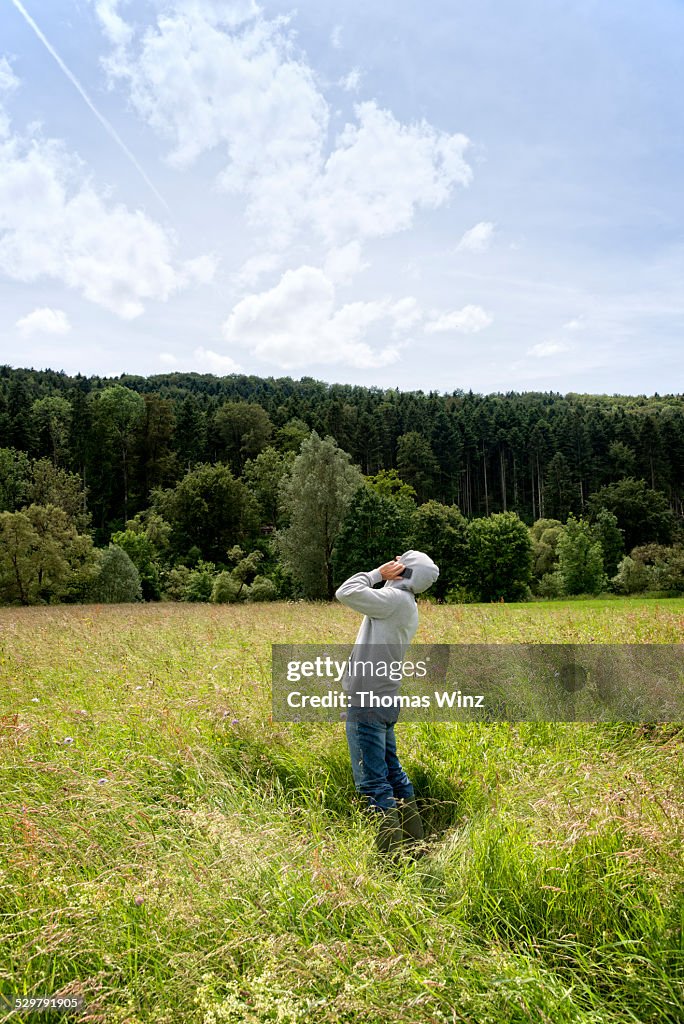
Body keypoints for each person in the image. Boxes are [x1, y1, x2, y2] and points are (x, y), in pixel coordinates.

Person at [335, 550, 440, 855]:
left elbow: (346, 591)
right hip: (383, 699)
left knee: (373, 784)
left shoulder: (393, 602)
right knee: (393, 774)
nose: (394, 559)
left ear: (403, 572)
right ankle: (417, 847)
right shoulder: (405, 603)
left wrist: (378, 573)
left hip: (368, 702)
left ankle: (389, 862)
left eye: (400, 560)